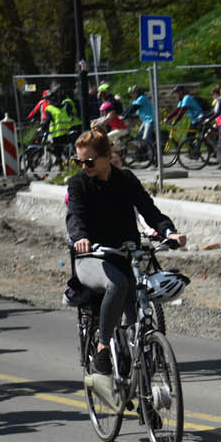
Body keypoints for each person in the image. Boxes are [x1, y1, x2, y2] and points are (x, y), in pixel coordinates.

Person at [65, 129, 186, 374]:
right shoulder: (78, 184)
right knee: (118, 285)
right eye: (79, 161)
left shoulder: (126, 179)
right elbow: (75, 217)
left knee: (137, 312)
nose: (83, 166)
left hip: (125, 256)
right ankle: (101, 347)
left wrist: (169, 232)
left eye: (89, 161)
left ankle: (144, 393)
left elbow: (150, 212)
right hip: (92, 257)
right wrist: (82, 238)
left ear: (107, 156)